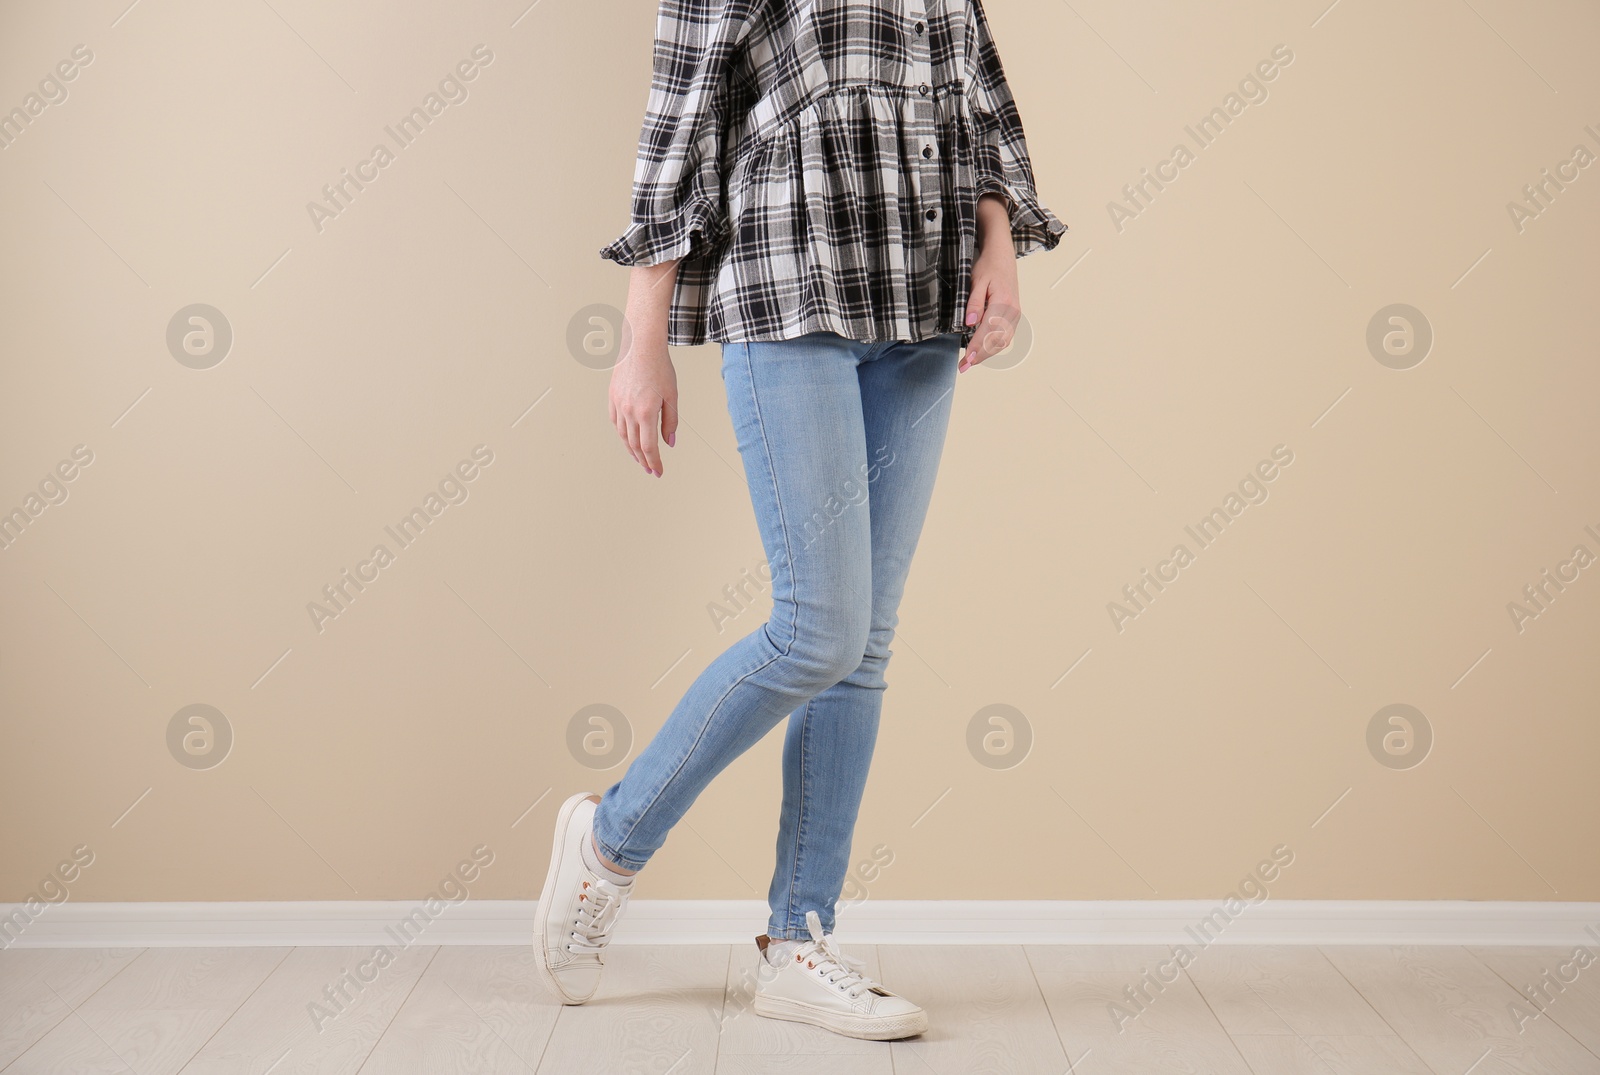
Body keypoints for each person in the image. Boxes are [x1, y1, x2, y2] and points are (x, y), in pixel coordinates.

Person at [534, 0, 1065, 1040]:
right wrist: (640, 335)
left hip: (921, 302)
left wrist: (997, 241)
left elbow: (976, 97)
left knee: (862, 645)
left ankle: (798, 939)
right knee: (818, 626)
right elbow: (678, 119)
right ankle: (611, 839)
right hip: (790, 288)